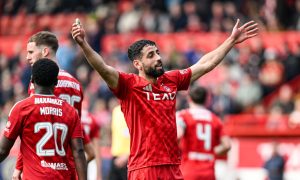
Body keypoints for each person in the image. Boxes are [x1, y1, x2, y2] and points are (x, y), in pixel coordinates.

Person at [71, 18, 258, 179]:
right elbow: (103, 67)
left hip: (172, 167)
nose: (158, 58)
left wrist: (231, 41)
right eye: (151, 56)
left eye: (158, 53)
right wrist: (83, 44)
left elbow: (205, 64)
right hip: (144, 168)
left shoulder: (172, 80)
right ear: (138, 64)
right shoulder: (128, 85)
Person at [12, 31, 95, 179]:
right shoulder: (75, 84)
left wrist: (19, 166)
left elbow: (31, 129)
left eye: (31, 52)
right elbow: (78, 130)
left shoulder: (40, 83)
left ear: (45, 51)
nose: (27, 57)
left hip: (43, 162)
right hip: (68, 163)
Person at [0, 59, 87, 179]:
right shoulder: (70, 111)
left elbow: (3, 150)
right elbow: (79, 151)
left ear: (32, 80)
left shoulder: (22, 108)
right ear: (56, 82)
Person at [176, 85, 231, 180]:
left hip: (189, 169)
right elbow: (227, 145)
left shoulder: (183, 116)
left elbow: (178, 135)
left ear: (189, 98)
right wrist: (210, 151)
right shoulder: (215, 119)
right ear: (207, 100)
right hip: (208, 172)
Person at [109, 105, 130, 180]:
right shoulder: (115, 110)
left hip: (129, 159)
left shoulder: (134, 110)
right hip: (115, 158)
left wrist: (127, 156)